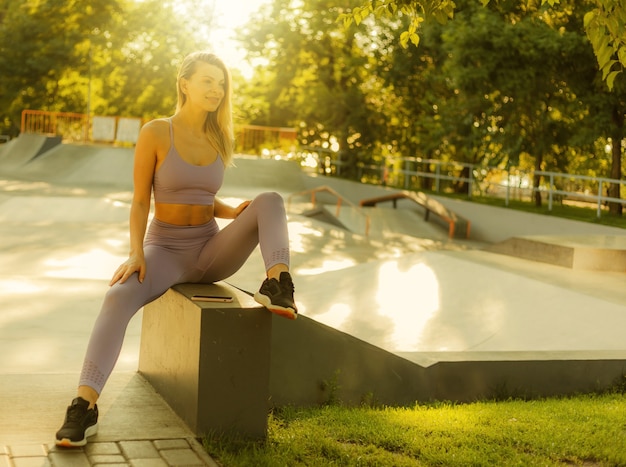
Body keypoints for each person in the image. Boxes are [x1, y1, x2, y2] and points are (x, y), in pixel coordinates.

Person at [55, 51, 297, 447]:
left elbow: (200, 195)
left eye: (221, 83)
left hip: (209, 250)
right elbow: (141, 200)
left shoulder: (220, 136)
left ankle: (278, 283)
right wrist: (136, 253)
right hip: (164, 250)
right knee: (117, 297)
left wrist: (231, 210)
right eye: (208, 81)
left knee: (269, 199)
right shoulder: (156, 132)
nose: (216, 89)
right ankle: (85, 405)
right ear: (185, 83)